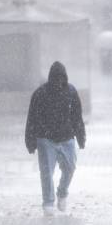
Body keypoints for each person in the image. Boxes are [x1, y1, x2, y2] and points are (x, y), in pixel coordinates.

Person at [25, 61, 86, 215]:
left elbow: (77, 116)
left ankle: (62, 192)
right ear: (51, 78)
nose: (59, 81)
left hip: (67, 138)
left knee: (70, 167)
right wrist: (31, 141)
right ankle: (48, 202)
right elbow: (32, 118)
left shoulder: (71, 91)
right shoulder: (40, 93)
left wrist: (81, 136)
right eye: (56, 78)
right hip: (45, 139)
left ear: (65, 77)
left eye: (61, 77)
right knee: (46, 173)